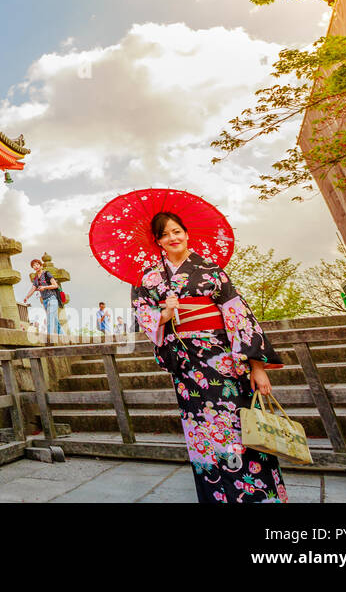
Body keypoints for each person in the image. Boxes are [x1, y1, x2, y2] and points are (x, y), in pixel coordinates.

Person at [131, 211, 288, 503]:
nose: (172, 238)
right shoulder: (149, 277)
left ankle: (259, 496)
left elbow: (239, 315)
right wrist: (163, 314)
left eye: (176, 231)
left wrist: (257, 367)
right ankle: (216, 497)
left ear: (186, 233)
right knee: (200, 433)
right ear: (158, 242)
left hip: (223, 359)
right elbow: (142, 314)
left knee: (242, 428)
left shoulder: (211, 270)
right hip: (186, 365)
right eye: (164, 235)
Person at [22, 258, 61, 336]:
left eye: (37, 264)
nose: (35, 266)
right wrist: (27, 297)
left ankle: (49, 338)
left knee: (50, 318)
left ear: (41, 265)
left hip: (52, 298)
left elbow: (55, 285)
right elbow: (33, 288)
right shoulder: (36, 278)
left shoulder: (47, 274)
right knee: (55, 320)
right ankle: (63, 336)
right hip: (45, 300)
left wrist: (45, 288)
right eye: (33, 265)